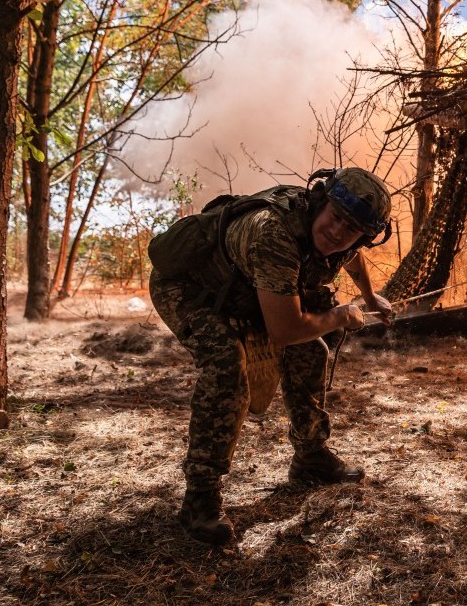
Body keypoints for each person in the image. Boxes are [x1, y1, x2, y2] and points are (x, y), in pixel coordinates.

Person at [149, 167, 395, 546]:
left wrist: (369, 295)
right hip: (190, 288)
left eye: (352, 229)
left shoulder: (339, 234)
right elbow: (285, 330)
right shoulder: (274, 233)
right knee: (226, 365)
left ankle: (310, 455)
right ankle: (201, 495)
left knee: (312, 350)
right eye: (335, 218)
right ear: (319, 203)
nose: (338, 233)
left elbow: (350, 256)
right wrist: (342, 315)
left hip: (244, 289)